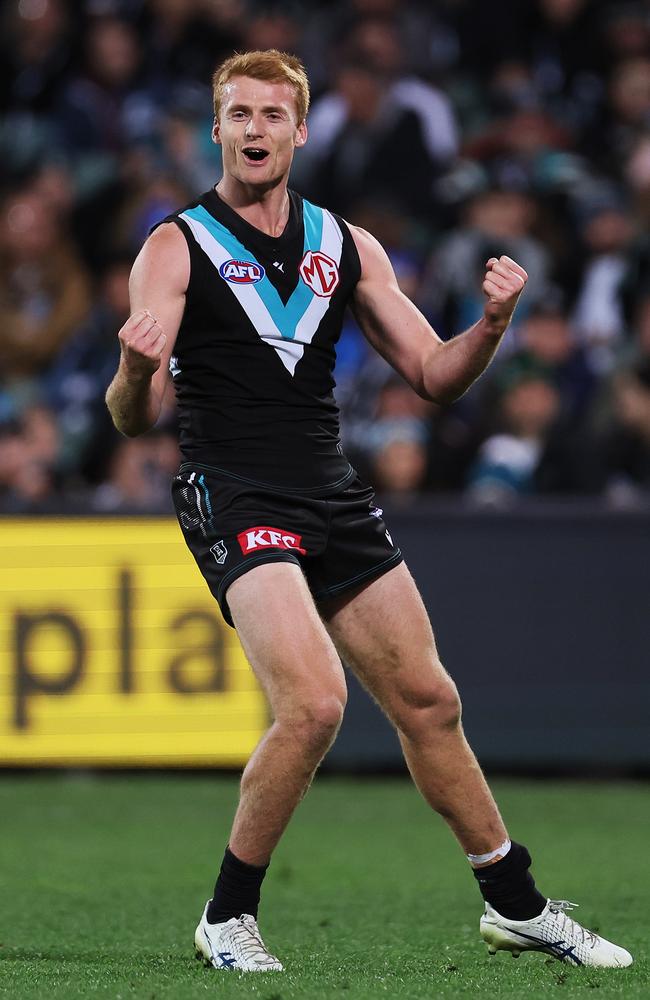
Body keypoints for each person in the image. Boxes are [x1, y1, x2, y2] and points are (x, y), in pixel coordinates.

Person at [105, 49, 632, 974]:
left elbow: (432, 376)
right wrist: (138, 367)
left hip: (330, 489)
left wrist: (493, 327)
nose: (257, 129)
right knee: (312, 704)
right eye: (240, 114)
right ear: (216, 128)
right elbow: (131, 418)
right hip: (232, 489)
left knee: (431, 702)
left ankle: (516, 904)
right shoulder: (175, 245)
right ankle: (226, 916)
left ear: (301, 131)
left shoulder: (345, 243)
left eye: (275, 115)